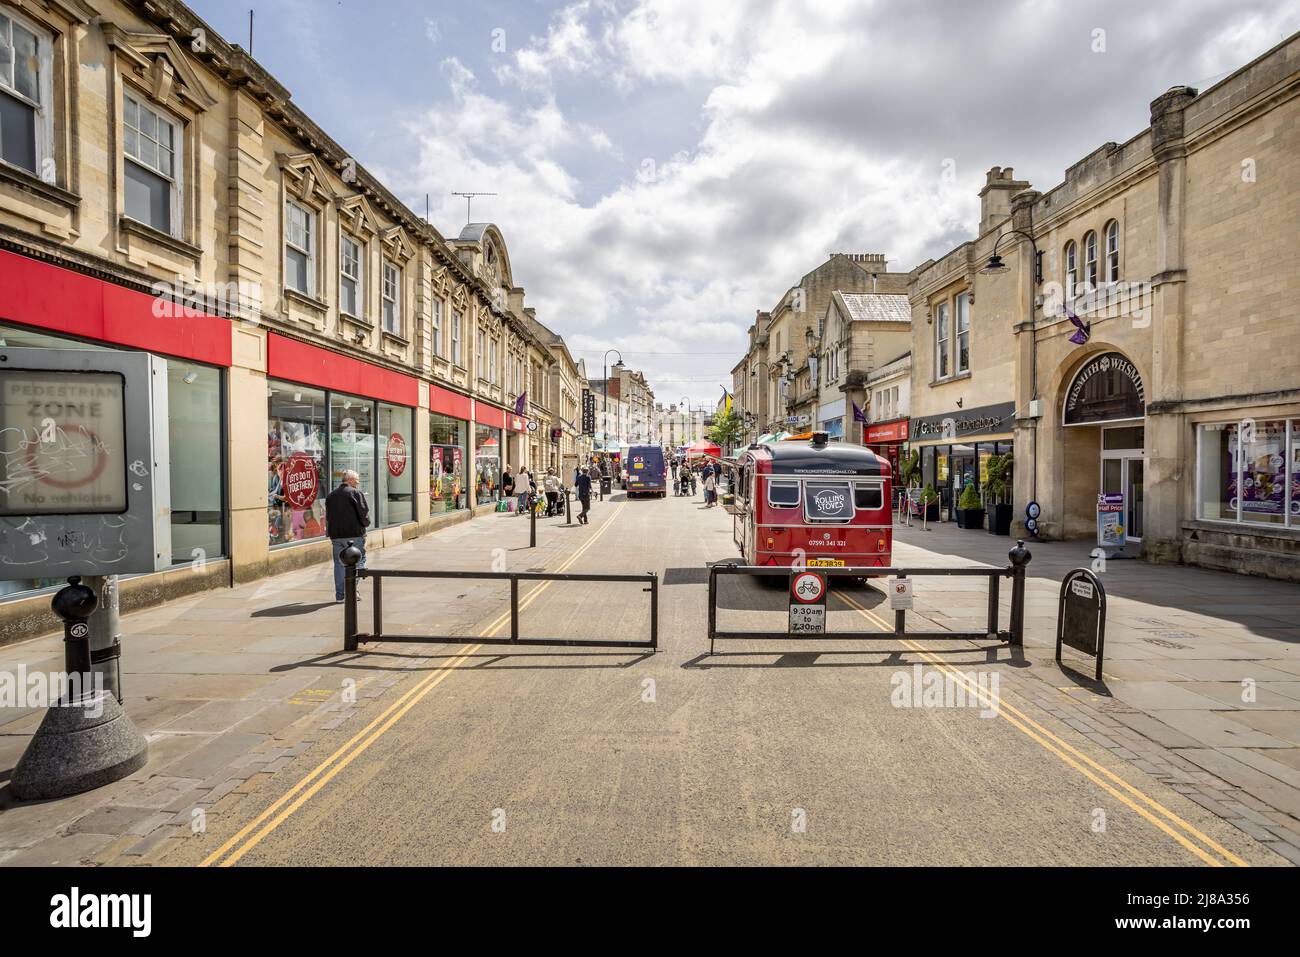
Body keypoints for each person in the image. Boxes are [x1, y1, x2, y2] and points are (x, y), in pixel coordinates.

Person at [326, 469, 369, 602]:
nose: (358, 482)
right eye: (356, 479)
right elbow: (363, 513)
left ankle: (340, 595)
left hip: (337, 535)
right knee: (359, 561)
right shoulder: (355, 493)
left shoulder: (331, 495)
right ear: (349, 480)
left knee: (339, 565)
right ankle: (351, 591)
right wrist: (366, 524)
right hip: (354, 535)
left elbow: (328, 516)